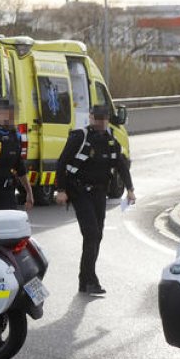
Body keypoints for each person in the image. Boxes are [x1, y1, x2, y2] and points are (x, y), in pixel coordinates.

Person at [55, 104, 136, 296]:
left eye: (103, 118)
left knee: (97, 235)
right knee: (91, 233)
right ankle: (91, 280)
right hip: (79, 191)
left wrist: (130, 189)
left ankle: (85, 280)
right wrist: (61, 190)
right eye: (97, 118)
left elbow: (122, 166)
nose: (100, 122)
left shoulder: (111, 141)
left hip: (100, 193)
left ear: (107, 119)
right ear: (90, 117)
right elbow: (62, 162)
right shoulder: (79, 137)